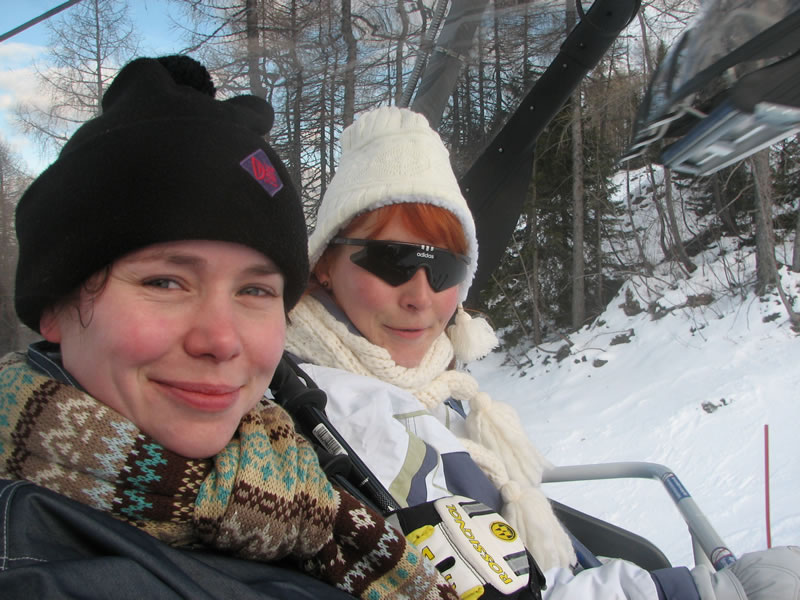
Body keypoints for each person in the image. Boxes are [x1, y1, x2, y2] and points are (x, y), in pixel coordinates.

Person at [285, 105, 800, 599]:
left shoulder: (415, 380)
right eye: (393, 260)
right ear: (324, 263)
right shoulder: (343, 414)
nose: (422, 297)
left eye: (445, 269)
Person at [0, 57, 457, 600]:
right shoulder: (38, 563)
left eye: (255, 291)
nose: (221, 340)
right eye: (165, 282)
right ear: (55, 305)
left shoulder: (291, 477)